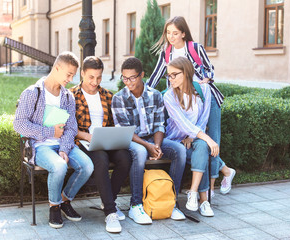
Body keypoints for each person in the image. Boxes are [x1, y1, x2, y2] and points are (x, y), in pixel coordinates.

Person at [148, 16, 235, 197]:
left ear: (183, 33)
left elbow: (210, 69)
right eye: (168, 33)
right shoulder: (167, 52)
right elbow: (156, 75)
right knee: (196, 142)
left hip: (204, 100)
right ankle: (226, 171)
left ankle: (210, 189)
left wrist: (205, 81)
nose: (171, 37)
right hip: (182, 103)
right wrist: (144, 93)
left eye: (175, 33)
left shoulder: (195, 48)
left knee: (211, 141)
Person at [13, 51, 94, 229]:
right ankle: (54, 207)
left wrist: (64, 148)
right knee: (59, 166)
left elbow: (72, 127)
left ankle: (64, 200)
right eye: (68, 74)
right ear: (57, 68)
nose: (71, 79)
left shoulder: (67, 97)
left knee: (87, 166)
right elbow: (19, 125)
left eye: (73, 75)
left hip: (62, 145)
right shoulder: (32, 93)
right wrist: (50, 132)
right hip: (40, 146)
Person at [111, 57, 186, 224]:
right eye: (124, 78)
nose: (128, 82)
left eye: (132, 77)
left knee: (179, 151)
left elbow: (160, 124)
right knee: (140, 151)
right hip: (132, 140)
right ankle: (135, 205)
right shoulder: (119, 98)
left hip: (153, 139)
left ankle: (171, 202)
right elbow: (125, 131)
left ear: (142, 75)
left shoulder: (155, 95)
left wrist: (157, 146)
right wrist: (148, 146)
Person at [70, 56, 132, 233]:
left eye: (98, 77)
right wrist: (88, 136)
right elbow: (68, 127)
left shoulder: (106, 95)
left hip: (105, 140)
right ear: (82, 74)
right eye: (91, 77)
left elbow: (113, 123)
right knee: (101, 159)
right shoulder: (72, 95)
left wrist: (114, 135)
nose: (95, 82)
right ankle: (111, 212)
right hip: (83, 142)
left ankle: (108, 201)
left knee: (125, 158)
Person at [163, 57, 216, 216]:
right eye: (168, 75)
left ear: (186, 73)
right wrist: (206, 137)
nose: (170, 79)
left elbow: (203, 118)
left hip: (193, 138)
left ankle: (194, 193)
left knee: (201, 147)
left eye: (174, 75)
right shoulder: (169, 96)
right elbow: (182, 124)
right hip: (174, 140)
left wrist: (193, 137)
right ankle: (204, 200)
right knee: (204, 147)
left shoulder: (204, 90)